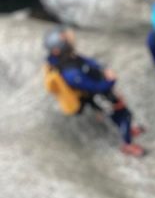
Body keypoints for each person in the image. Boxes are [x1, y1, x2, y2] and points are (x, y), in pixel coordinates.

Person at [43, 26, 146, 157]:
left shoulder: (67, 57)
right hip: (96, 95)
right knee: (123, 114)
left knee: (120, 113)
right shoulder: (71, 73)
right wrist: (111, 81)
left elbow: (85, 60)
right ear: (59, 49)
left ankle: (127, 130)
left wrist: (101, 67)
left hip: (98, 88)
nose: (71, 39)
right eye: (66, 39)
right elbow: (95, 88)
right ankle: (127, 144)